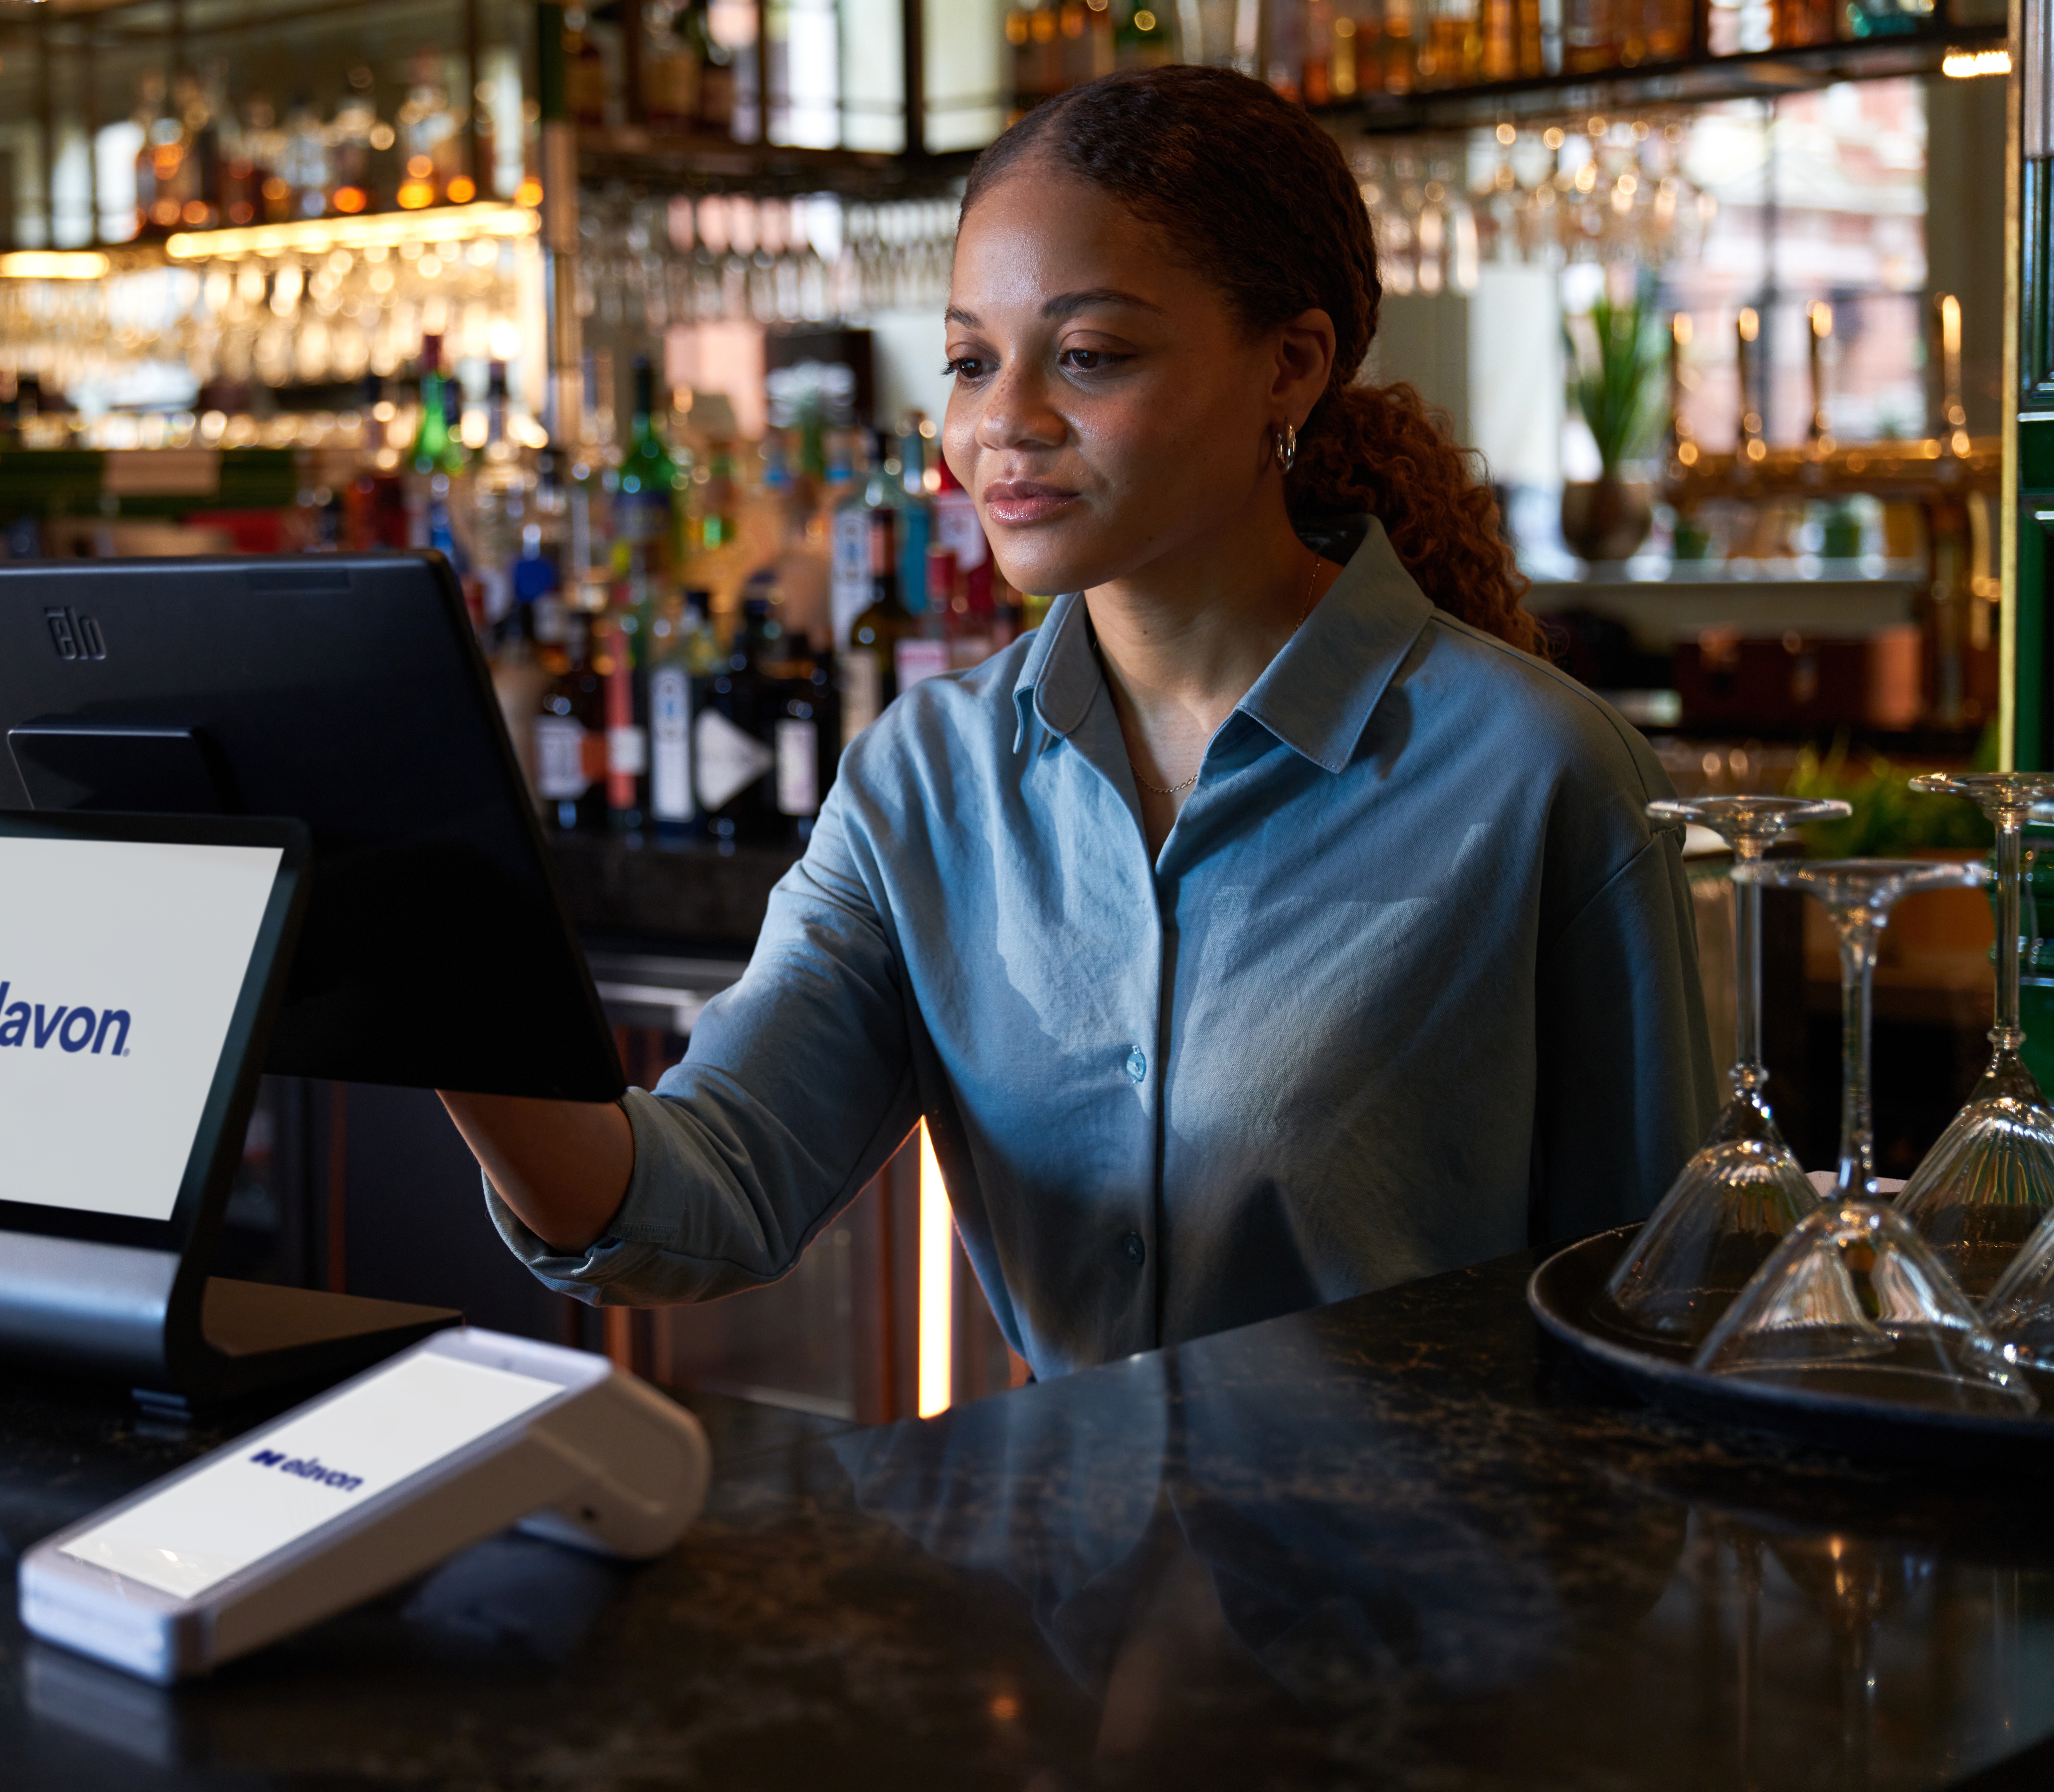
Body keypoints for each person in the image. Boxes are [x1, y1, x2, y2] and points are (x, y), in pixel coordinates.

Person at [440, 66, 1712, 1377]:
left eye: (1089, 356)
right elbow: (706, 1196)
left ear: (1291, 366)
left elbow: (1653, 1316)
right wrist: (438, 997)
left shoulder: (1542, 777)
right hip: (1078, 1577)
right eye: (971, 361)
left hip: (1428, 1580)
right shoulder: (925, 780)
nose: (1001, 424)